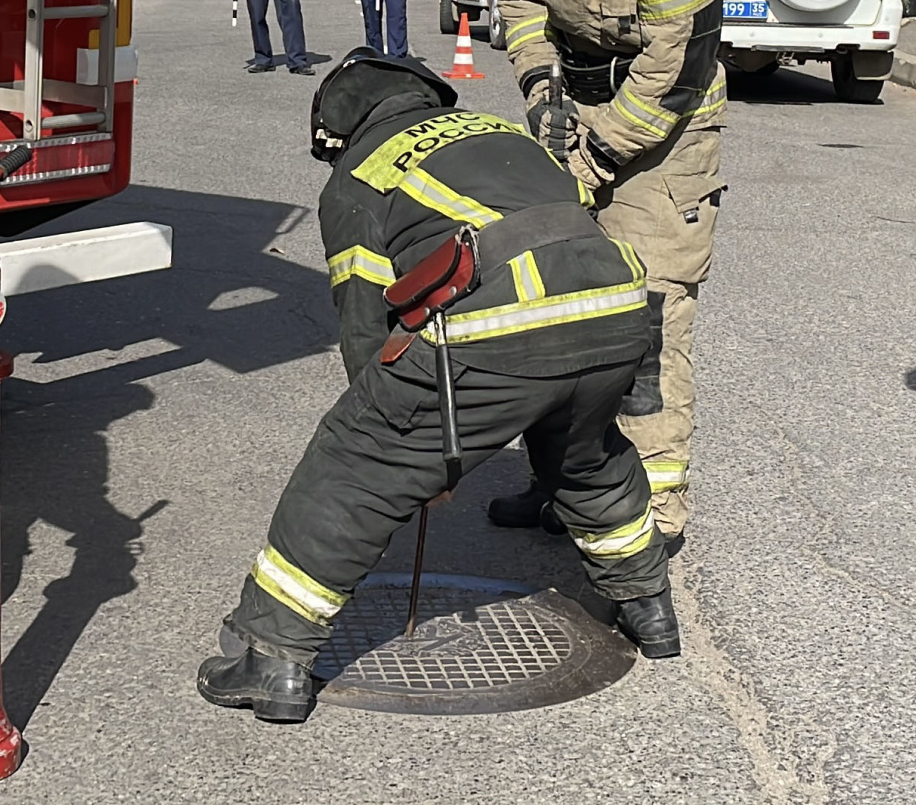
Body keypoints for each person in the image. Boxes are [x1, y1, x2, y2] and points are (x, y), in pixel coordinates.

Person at [194, 51, 678, 723]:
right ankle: (648, 606)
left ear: (340, 130)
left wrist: (402, 439)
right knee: (585, 457)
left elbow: (368, 326)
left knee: (351, 466)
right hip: (620, 311)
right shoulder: (499, 130)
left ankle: (271, 653)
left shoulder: (361, 176)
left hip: (506, 321)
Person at [493, 0, 724, 549]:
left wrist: (593, 156)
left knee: (646, 323)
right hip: (577, 116)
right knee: (555, 315)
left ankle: (655, 512)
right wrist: (543, 91)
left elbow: (672, 65)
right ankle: (560, 486)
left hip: (664, 136)